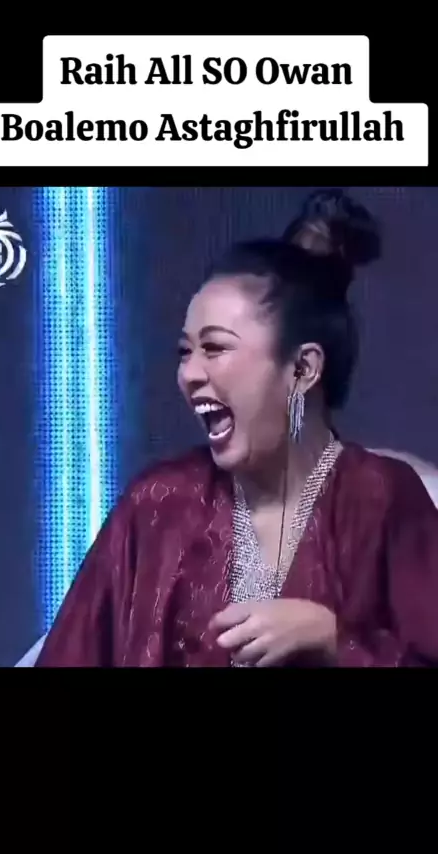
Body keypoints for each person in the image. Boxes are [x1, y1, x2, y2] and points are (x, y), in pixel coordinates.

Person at [35, 189, 438, 667]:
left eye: (215, 348)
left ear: (303, 369)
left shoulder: (380, 497)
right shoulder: (157, 505)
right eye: (185, 352)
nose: (189, 374)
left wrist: (335, 641)